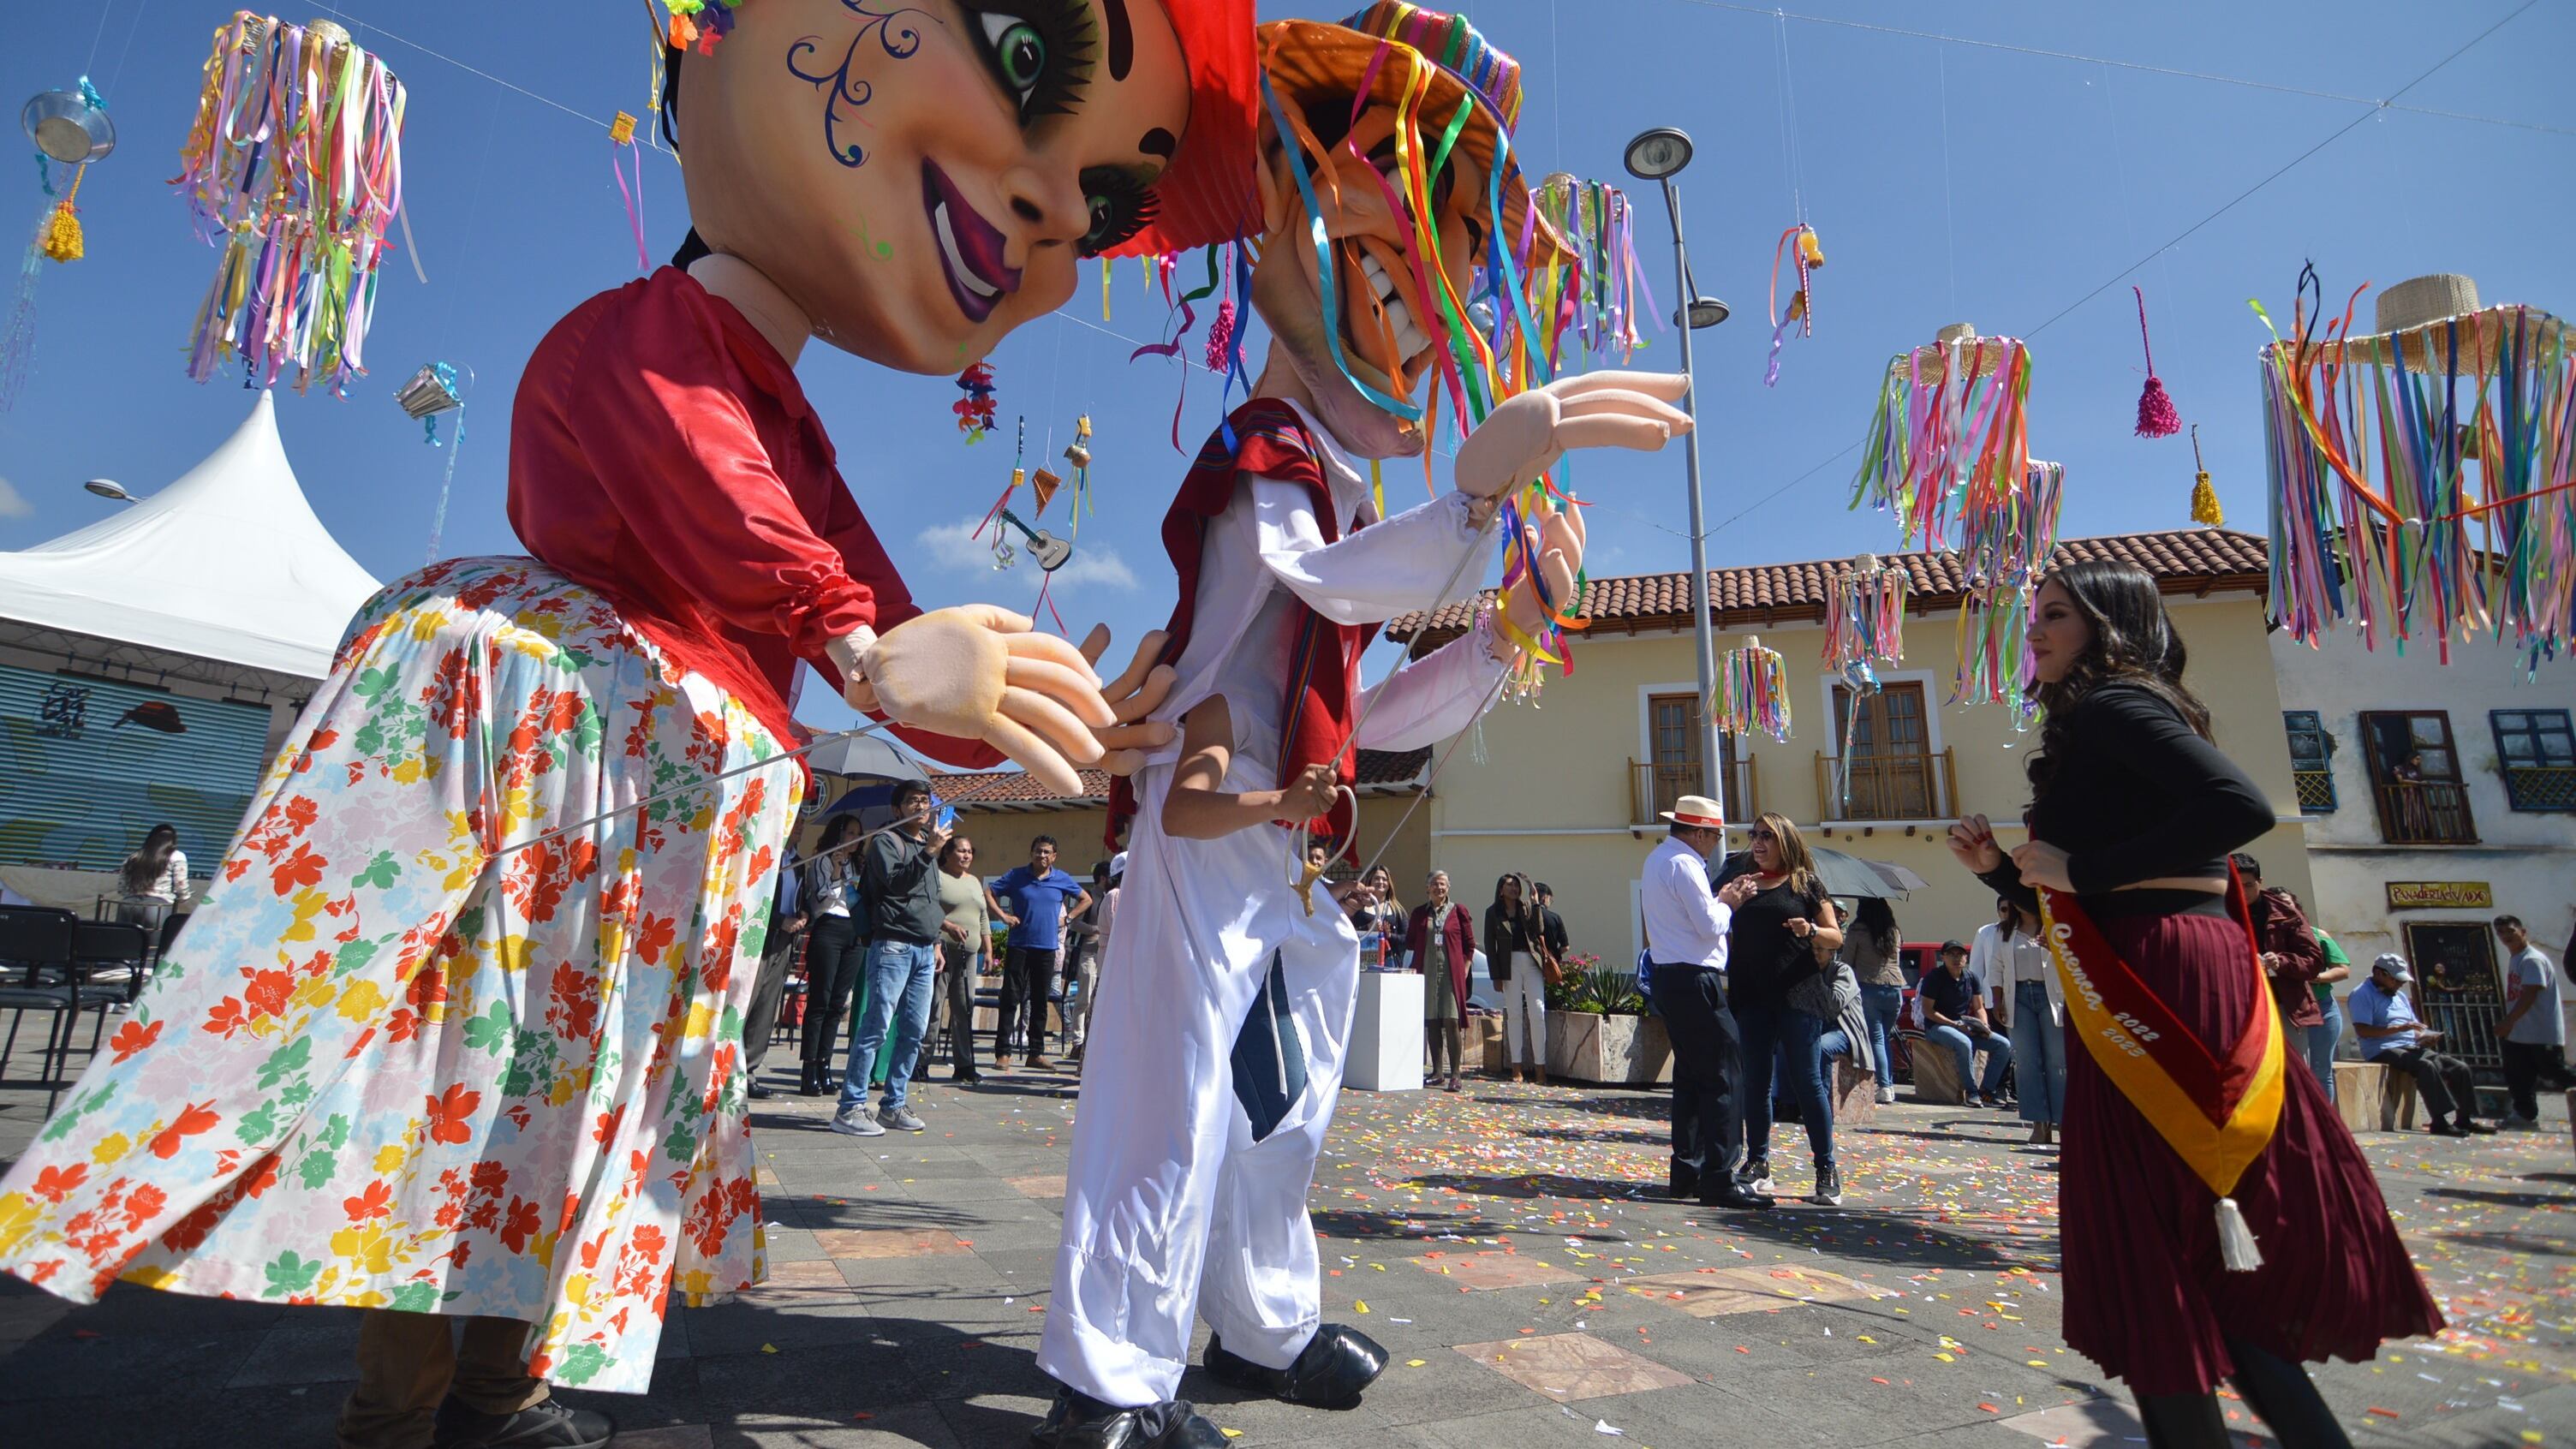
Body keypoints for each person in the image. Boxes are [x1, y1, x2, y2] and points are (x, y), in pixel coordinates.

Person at [0, 2, 1235, 1438]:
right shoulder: (649, 333)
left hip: (638, 831)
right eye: (1020, 55)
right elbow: (724, 502)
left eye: (1105, 203)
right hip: (550, 782)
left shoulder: (792, 418)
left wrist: (1038, 716)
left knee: (561, 1098)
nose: (1053, 210)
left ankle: (498, 1381)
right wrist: (859, 644)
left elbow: (880, 624)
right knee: (459, 1086)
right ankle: (398, 1408)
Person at [1037, 9, 1689, 1438]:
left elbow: (1367, 712)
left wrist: (1500, 635)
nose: (1413, 295)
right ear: (1296, 212)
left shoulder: (1337, 481)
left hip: (1289, 846)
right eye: (1380, 239)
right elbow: (1316, 585)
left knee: (1283, 1106)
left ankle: (1260, 1323)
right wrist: (1472, 503)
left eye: (1438, 263)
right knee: (1169, 1096)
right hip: (1205, 825)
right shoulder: (1265, 456)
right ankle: (1109, 1373)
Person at [1947, 558, 2442, 1448]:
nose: (2035, 631)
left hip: (2164, 978)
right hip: (2147, 960)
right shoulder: (2107, 715)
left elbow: (2237, 805)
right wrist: (2000, 874)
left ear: (2106, 625)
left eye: (2055, 615)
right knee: (2182, 1247)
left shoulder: (2116, 704)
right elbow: (2090, 903)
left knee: (2158, 1238)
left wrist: (2083, 868)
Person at [1642, 796, 1768, 1210]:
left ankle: (1688, 1172)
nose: (1715, 844)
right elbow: (1709, 924)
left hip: (1669, 976)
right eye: (1714, 836)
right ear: (1699, 833)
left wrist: (1721, 899)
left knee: (1692, 1077)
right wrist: (1730, 900)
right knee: (1723, 1077)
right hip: (1695, 978)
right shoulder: (1685, 864)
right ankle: (1719, 1177)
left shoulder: (1658, 859)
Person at [1712, 813, 1844, 1204]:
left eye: (1767, 835)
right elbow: (1710, 912)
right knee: (1756, 1081)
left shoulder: (1805, 883)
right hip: (1751, 992)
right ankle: (1758, 1163)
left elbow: (1835, 937)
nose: (1758, 842)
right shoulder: (1739, 879)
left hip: (1797, 994)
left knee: (1807, 1081)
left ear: (1785, 840)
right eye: (1754, 834)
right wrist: (1728, 898)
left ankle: (1826, 1168)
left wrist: (1811, 931)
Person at [833, 780, 947, 1136]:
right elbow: (897, 885)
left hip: (924, 949)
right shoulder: (887, 842)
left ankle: (893, 1105)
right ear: (897, 810)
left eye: (925, 801)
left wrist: (937, 941)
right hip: (893, 945)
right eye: (912, 801)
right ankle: (850, 1107)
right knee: (876, 1027)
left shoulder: (926, 844)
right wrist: (929, 852)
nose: (921, 807)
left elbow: (930, 900)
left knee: (914, 1031)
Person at [2348, 954, 2493, 1136]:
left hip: (2410, 1045)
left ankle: (2464, 1118)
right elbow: (2363, 1031)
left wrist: (2425, 1037)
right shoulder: (2361, 994)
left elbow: (2415, 1028)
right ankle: (2439, 1121)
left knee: (2459, 1068)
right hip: (2382, 1048)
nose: (2400, 984)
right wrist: (2399, 1028)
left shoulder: (2399, 996)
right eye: (2396, 980)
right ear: (2379, 973)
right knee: (2425, 1066)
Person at [992, 837, 1092, 1073]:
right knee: (1010, 999)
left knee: (1040, 1001)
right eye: (1038, 851)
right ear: (1031, 853)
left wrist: (1068, 918)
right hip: (1019, 945)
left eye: (1047, 852)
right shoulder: (1016, 876)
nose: (1042, 856)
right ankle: (1003, 1053)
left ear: (1054, 856)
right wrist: (1002, 916)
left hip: (1046, 948)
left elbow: (1086, 899)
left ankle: (1036, 1053)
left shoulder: (1061, 879)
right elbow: (989, 891)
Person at [2230, 854, 2327, 1081]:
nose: (2242, 892)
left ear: (2260, 882)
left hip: (2286, 1005)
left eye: (2248, 885)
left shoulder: (2286, 913)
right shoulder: (2217, 914)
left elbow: (2314, 961)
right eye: (2236, 885)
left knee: (2295, 1077)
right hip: (2240, 1007)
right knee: (2247, 1078)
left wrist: (2280, 962)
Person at [1977, 896, 2064, 1144]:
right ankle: (2039, 1123)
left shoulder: (2054, 926)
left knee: (2057, 1061)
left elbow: (2072, 960)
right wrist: (1997, 1000)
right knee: (2026, 1061)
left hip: (2051, 996)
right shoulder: (2005, 930)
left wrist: (2055, 948)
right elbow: (1995, 967)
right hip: (2018, 997)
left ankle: (2063, 1121)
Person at [800, 814, 869, 1098]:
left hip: (854, 930)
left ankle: (825, 1064)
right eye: (850, 832)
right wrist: (836, 870)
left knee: (838, 1002)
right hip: (829, 927)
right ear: (838, 833)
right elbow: (821, 897)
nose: (855, 838)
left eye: (858, 833)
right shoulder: (823, 860)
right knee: (821, 999)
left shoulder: (859, 864)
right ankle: (809, 1067)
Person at [740, 828, 808, 1100]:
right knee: (746, 1002)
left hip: (785, 941)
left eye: (803, 821)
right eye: (797, 821)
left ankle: (748, 1071)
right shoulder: (765, 857)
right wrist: (780, 921)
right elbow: (753, 897)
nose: (800, 827)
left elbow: (801, 898)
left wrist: (804, 914)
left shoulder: (798, 863)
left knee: (766, 1007)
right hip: (760, 938)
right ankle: (728, 1068)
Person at [2492, 915, 2565, 1128]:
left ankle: (2525, 1114)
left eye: (2510, 931)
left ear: (2523, 932)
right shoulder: (2517, 959)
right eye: (2501, 932)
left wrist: (2508, 1022)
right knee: (2518, 1076)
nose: (2506, 936)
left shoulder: (2531, 960)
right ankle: (2524, 1115)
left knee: (2555, 1072)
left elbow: (2530, 994)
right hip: (2520, 1033)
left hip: (2540, 1031)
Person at [1918, 940, 2010, 1106]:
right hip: (1937, 1027)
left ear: (1966, 958)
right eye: (1951, 954)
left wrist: (1984, 1025)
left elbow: (1979, 1007)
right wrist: (1954, 1025)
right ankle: (1971, 1092)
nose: (1956, 958)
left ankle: (1987, 1091)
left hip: (1965, 1026)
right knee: (1964, 1043)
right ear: (1943, 957)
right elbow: (1928, 1011)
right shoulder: (1934, 978)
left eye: (1960, 954)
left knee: (2004, 1045)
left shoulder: (1971, 977)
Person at [1406, 872, 1476, 1092]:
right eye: (1435, 884)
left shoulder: (1458, 911)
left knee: (1451, 1020)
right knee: (1432, 1021)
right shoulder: (1420, 913)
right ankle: (1437, 1072)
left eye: (1443, 884)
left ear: (1449, 887)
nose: (1439, 888)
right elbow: (1410, 942)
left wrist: (1465, 967)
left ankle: (1455, 1074)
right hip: (1427, 971)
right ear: (1428, 888)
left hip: (1450, 973)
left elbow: (1470, 944)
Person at [933, 834, 991, 1085]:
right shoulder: (937, 876)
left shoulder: (974, 881)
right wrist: (943, 931)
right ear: (947, 853)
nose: (967, 855)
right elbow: (929, 909)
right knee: (934, 1007)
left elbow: (983, 916)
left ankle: (964, 1065)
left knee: (964, 1008)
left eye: (969, 851)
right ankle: (921, 1061)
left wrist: (989, 950)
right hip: (942, 952)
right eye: (961, 851)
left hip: (969, 954)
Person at [1486, 873, 1553, 1086]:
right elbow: (1490, 945)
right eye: (1509, 885)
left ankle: (1540, 1067)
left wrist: (1535, 904)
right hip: (1509, 965)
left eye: (1516, 885)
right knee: (1514, 1014)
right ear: (1501, 890)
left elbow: (1539, 930)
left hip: (1531, 962)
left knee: (1537, 1011)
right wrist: (1496, 976)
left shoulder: (1526, 907)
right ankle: (1517, 1067)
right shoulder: (1493, 912)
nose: (1514, 888)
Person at [1839, 897, 1907, 1106]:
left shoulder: (1857, 930)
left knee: (1876, 1039)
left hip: (1870, 986)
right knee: (1883, 1038)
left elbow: (1847, 962)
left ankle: (1884, 1086)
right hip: (1895, 988)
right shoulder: (1893, 931)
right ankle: (1889, 1085)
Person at [112, 821, 188, 946]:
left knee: (123, 947)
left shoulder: (134, 856)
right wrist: (183, 897)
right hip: (157, 907)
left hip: (128, 905)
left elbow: (121, 887)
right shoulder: (177, 856)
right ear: (172, 840)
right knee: (153, 949)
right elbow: (181, 884)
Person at [2306, 925, 2352, 1103]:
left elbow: (2342, 969)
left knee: (2320, 1071)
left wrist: (2313, 977)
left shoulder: (2318, 935)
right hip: (2284, 1010)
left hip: (2322, 1008)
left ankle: (2323, 1118)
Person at [1348, 866, 1405, 969]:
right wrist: (1368, 929)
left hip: (1389, 963)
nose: (1381, 882)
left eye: (1384, 879)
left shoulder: (1397, 910)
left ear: (1389, 884)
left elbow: (1406, 939)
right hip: (1362, 961)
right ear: (1370, 881)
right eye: (1377, 878)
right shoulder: (1358, 905)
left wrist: (1390, 935)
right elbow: (1347, 932)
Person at [1533, 882, 1571, 973]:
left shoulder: (1524, 916)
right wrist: (1553, 954)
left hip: (1528, 961)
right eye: (1550, 900)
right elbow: (1565, 947)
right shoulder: (1555, 918)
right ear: (1545, 898)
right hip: (1549, 967)